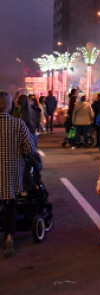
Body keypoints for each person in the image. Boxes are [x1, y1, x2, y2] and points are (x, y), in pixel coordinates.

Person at [0, 91, 34, 258]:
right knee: (10, 205)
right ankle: (9, 237)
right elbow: (29, 149)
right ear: (8, 105)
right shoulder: (18, 124)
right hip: (10, 173)